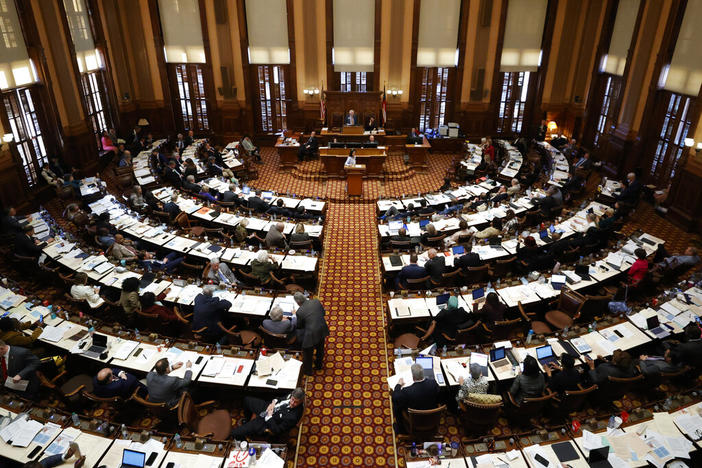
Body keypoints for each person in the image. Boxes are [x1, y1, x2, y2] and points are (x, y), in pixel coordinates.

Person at [230, 388, 305, 439]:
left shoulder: (293, 417)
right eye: (292, 399)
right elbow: (280, 398)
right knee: (246, 399)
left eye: (296, 402)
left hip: (266, 421)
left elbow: (277, 430)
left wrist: (269, 416)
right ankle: (247, 420)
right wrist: (273, 403)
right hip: (267, 406)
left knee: (235, 433)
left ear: (301, 401)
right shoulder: (292, 394)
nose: (292, 403)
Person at [392, 363, 440, 433]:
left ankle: (401, 429)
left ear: (413, 376)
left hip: (414, 419)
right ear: (423, 374)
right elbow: (438, 393)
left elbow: (395, 397)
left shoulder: (407, 391)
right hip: (432, 417)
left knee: (397, 406)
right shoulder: (433, 383)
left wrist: (398, 385)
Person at [294, 292, 329, 375]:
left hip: (311, 335)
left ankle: (308, 371)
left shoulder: (299, 311)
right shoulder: (316, 301)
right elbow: (324, 313)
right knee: (320, 349)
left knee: (307, 353)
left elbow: (299, 326)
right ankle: (319, 365)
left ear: (298, 303)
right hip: (322, 328)